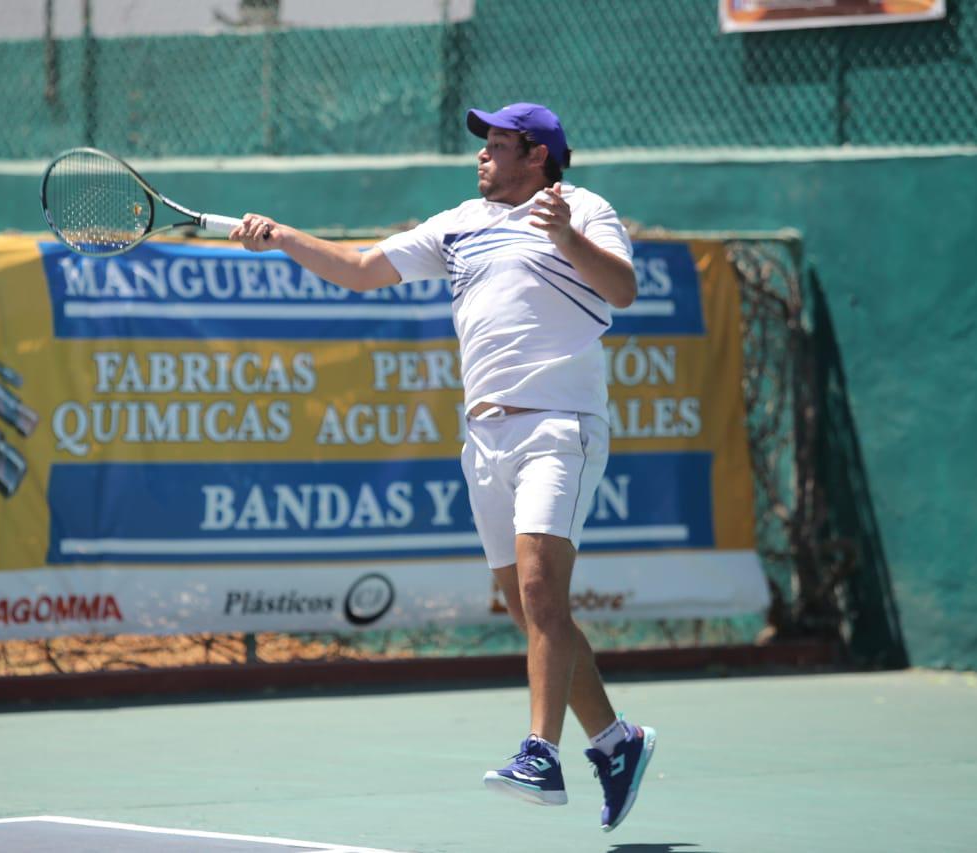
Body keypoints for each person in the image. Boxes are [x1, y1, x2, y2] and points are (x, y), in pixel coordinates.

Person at [228, 102, 656, 832]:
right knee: (529, 611)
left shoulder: (581, 208)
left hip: (560, 425)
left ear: (538, 155)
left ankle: (540, 753)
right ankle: (616, 742)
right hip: (484, 439)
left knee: (539, 592)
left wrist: (566, 238)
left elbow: (621, 290)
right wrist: (283, 237)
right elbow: (364, 270)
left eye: (495, 145)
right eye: (482, 146)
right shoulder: (458, 222)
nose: (481, 157)